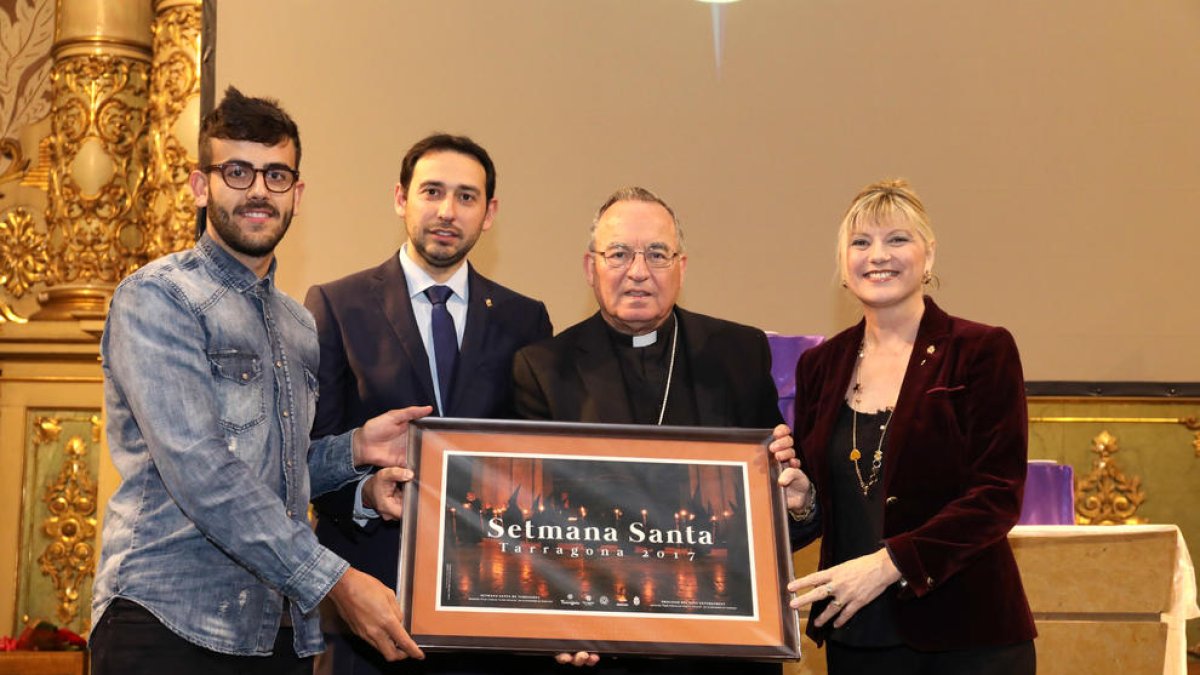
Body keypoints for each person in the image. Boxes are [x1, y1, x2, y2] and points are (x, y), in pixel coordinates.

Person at [89, 87, 427, 675]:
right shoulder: (158, 297)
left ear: (297, 194)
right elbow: (203, 470)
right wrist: (337, 581)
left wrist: (355, 450)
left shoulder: (297, 323)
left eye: (276, 175)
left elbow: (276, 469)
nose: (257, 191)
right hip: (166, 622)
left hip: (272, 631)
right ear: (201, 185)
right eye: (238, 171)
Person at [512, 186, 801, 674]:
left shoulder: (739, 353)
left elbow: (783, 509)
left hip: (723, 647)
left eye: (657, 254)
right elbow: (532, 517)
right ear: (591, 268)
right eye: (619, 253)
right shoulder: (543, 367)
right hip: (605, 647)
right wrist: (555, 620)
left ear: (681, 267)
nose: (639, 271)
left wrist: (800, 499)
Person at [305, 133, 552, 674]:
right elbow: (312, 454)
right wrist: (367, 492)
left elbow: (540, 463)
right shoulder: (336, 304)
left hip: (489, 607)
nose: (447, 211)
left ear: (489, 213)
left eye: (466, 197)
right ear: (401, 198)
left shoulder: (524, 319)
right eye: (432, 191)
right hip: (367, 605)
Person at [782, 179, 1037, 674]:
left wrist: (888, 565)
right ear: (843, 263)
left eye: (897, 239)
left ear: (929, 256)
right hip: (856, 633)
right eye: (861, 242)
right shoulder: (820, 366)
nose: (878, 255)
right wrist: (804, 501)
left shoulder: (981, 351)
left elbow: (997, 496)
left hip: (967, 636)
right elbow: (832, 504)